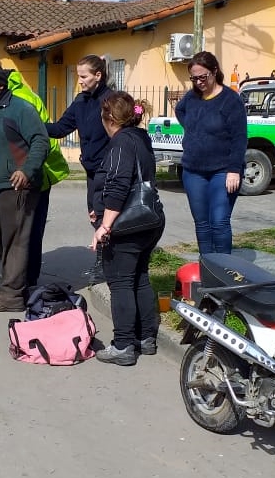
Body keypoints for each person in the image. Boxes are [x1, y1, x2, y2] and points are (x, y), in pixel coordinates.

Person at [89, 92, 164, 366]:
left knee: (120, 282)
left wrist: (104, 226)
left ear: (108, 118)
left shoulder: (121, 142)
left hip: (128, 225)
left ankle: (123, 345)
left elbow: (120, 185)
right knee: (140, 278)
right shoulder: (140, 137)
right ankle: (146, 339)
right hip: (149, 219)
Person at [0, 60, 49, 312]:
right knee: (3, 242)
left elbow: (40, 141)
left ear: (0, 85)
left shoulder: (20, 108)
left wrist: (26, 171)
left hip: (19, 187)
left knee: (16, 242)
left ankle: (11, 297)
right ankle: (11, 290)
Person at [45, 54, 113, 280]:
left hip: (111, 169)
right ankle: (103, 262)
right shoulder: (80, 101)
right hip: (92, 170)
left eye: (84, 76)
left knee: (107, 216)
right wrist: (32, 124)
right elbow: (60, 128)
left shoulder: (111, 100)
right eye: (78, 76)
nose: (80, 81)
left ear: (98, 75)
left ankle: (107, 266)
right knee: (95, 216)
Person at [174, 51, 247, 255]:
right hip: (194, 171)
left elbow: (240, 138)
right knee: (202, 223)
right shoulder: (191, 98)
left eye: (202, 77)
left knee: (219, 221)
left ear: (214, 71)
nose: (198, 82)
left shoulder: (230, 100)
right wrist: (194, 129)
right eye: (194, 78)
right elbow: (180, 111)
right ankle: (207, 265)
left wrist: (234, 170)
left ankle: (223, 268)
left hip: (223, 171)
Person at [5, 68, 69, 287]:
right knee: (33, 229)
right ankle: (29, 280)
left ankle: (25, 282)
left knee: (26, 232)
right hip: (42, 169)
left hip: (33, 172)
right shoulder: (25, 93)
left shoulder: (17, 100)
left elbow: (28, 140)